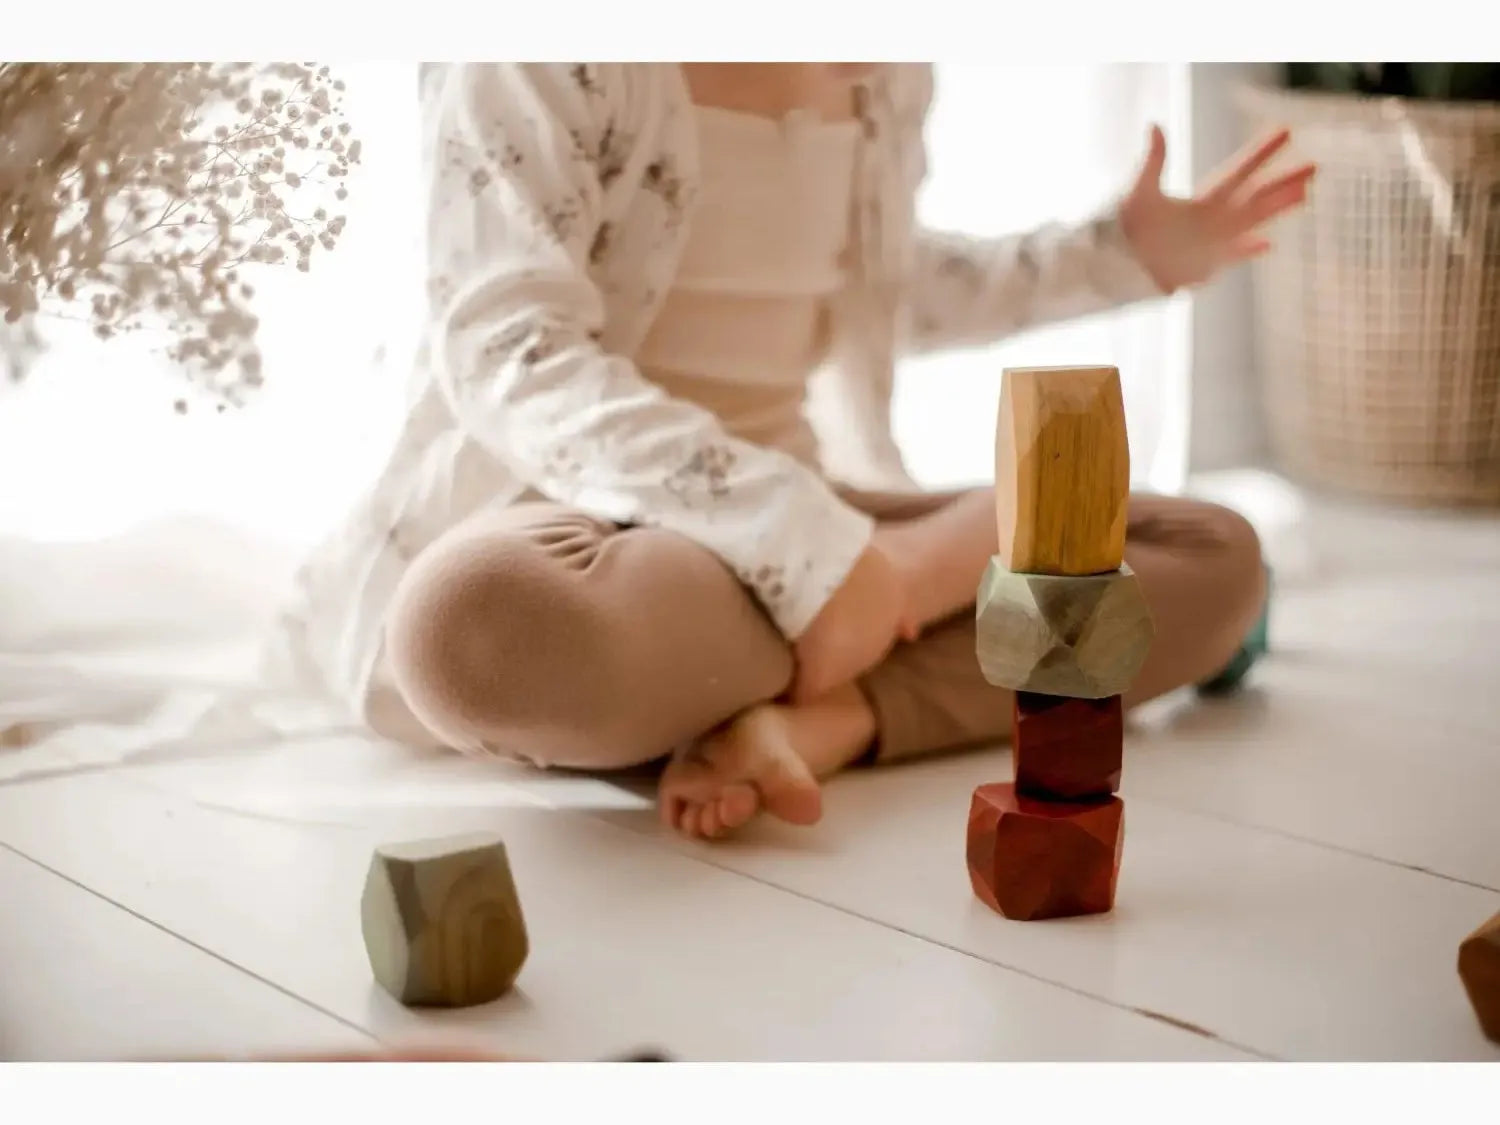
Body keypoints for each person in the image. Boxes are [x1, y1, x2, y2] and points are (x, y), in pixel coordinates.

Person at [268, 63, 1313, 842]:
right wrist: (809, 549)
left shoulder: (873, 65)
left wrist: (1118, 258)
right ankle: (894, 596)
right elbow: (509, 348)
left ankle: (829, 717)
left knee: (1213, 552)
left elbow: (883, 285)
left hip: (810, 522)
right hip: (590, 535)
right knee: (470, 630)